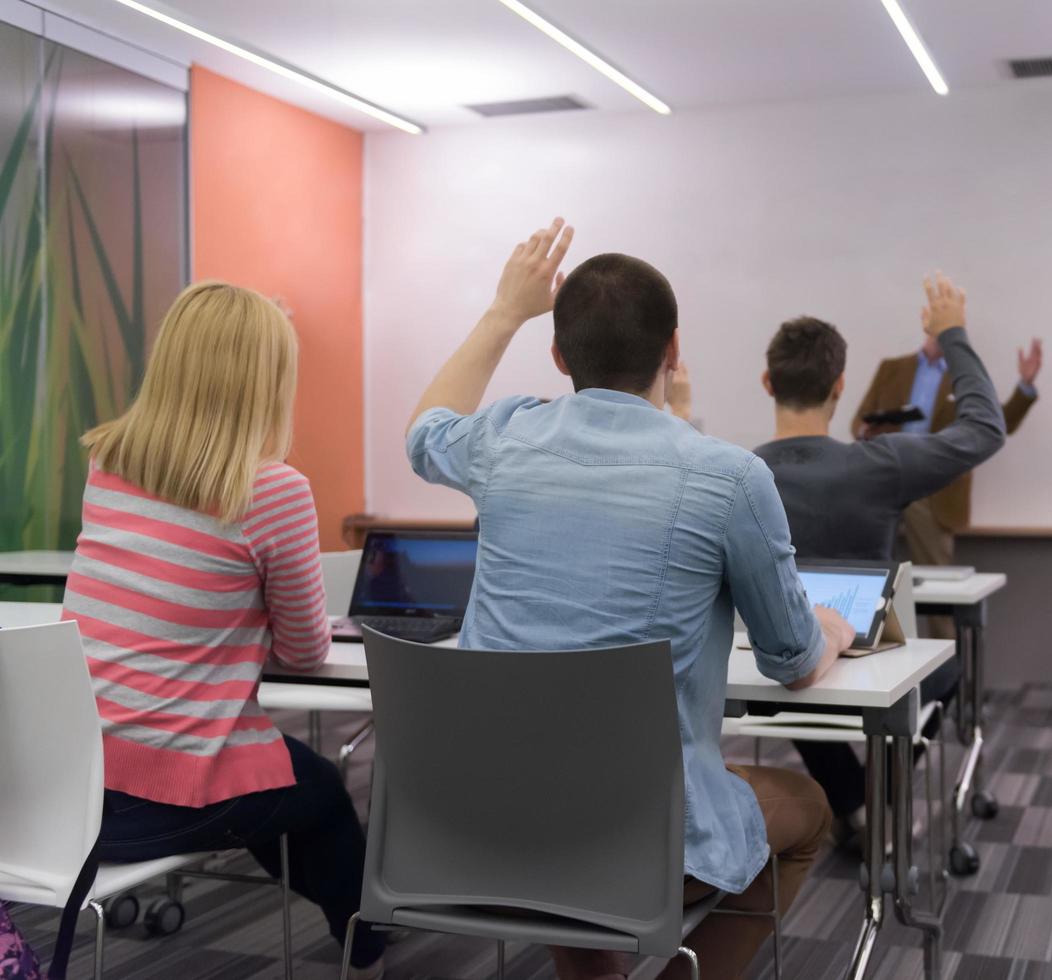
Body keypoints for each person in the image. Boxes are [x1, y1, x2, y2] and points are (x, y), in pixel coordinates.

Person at [405, 218, 854, 980]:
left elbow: (424, 433)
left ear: (556, 355)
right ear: (673, 351)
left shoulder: (504, 438)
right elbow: (792, 663)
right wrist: (830, 631)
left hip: (479, 829)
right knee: (807, 811)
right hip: (633, 838)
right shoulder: (729, 477)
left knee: (566, 795)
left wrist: (503, 311)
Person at [59, 282, 386, 980]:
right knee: (320, 790)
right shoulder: (272, 491)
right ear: (268, 385)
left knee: (280, 773)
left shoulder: (107, 462)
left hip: (69, 786)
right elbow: (303, 651)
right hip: (161, 794)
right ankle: (370, 952)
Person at [751, 274, 1006, 844]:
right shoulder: (880, 464)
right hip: (870, 674)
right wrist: (953, 335)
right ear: (840, 386)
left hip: (769, 670)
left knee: (793, 667)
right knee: (946, 672)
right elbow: (985, 428)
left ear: (767, 382)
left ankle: (851, 801)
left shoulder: (738, 473)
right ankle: (874, 797)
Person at [853, 322, 1042, 570]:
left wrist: (1025, 386)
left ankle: (935, 611)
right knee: (872, 567)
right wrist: (865, 429)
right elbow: (859, 420)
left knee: (935, 575)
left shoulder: (965, 377)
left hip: (935, 487)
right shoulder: (892, 369)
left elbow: (996, 424)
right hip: (888, 477)